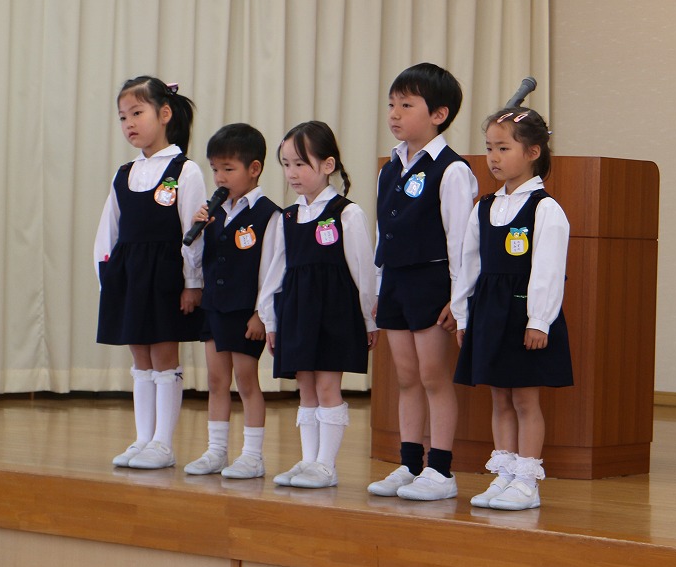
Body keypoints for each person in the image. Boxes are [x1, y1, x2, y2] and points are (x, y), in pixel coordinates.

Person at [452, 107, 572, 511]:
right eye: (489, 148)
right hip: (489, 313)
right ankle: (503, 475)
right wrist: (463, 314)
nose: (494, 157)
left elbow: (549, 271)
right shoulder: (484, 207)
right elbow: (468, 264)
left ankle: (526, 481)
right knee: (499, 398)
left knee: (524, 400)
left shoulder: (544, 209)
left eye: (504, 148)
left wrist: (540, 320)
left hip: (523, 316)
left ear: (533, 151)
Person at [369, 63, 479, 501]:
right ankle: (410, 464)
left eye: (407, 105)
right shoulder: (390, 167)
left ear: (438, 114)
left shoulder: (452, 170)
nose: (395, 114)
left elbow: (462, 241)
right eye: (392, 104)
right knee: (407, 377)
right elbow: (383, 233)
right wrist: (379, 289)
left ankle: (442, 470)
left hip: (433, 281)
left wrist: (459, 298)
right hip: (395, 281)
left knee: (435, 377)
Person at [257, 121, 378, 489]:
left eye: (300, 164)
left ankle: (326, 465)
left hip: (335, 313)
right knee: (305, 388)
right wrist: (270, 320)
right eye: (286, 164)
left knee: (327, 387)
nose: (292, 173)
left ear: (327, 165)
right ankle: (308, 461)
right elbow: (273, 272)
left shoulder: (347, 213)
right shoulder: (286, 217)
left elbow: (362, 271)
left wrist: (369, 320)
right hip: (296, 312)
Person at [95, 76, 205, 470]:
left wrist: (193, 282)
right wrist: (107, 277)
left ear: (164, 113)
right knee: (140, 357)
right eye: (123, 116)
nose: (129, 123)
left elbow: (193, 232)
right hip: (129, 274)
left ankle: (163, 442)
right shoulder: (123, 173)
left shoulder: (185, 170)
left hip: (165, 276)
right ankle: (143, 438)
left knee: (163, 354)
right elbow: (109, 229)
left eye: (137, 113)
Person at [183, 123, 282, 479]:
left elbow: (272, 269)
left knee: (246, 380)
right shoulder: (214, 212)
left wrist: (261, 314)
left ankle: (253, 456)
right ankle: (216, 451)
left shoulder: (270, 214)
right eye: (215, 169)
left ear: (253, 169)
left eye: (229, 169)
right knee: (215, 379)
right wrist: (195, 233)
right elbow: (196, 261)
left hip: (245, 311)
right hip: (215, 306)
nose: (220, 177)